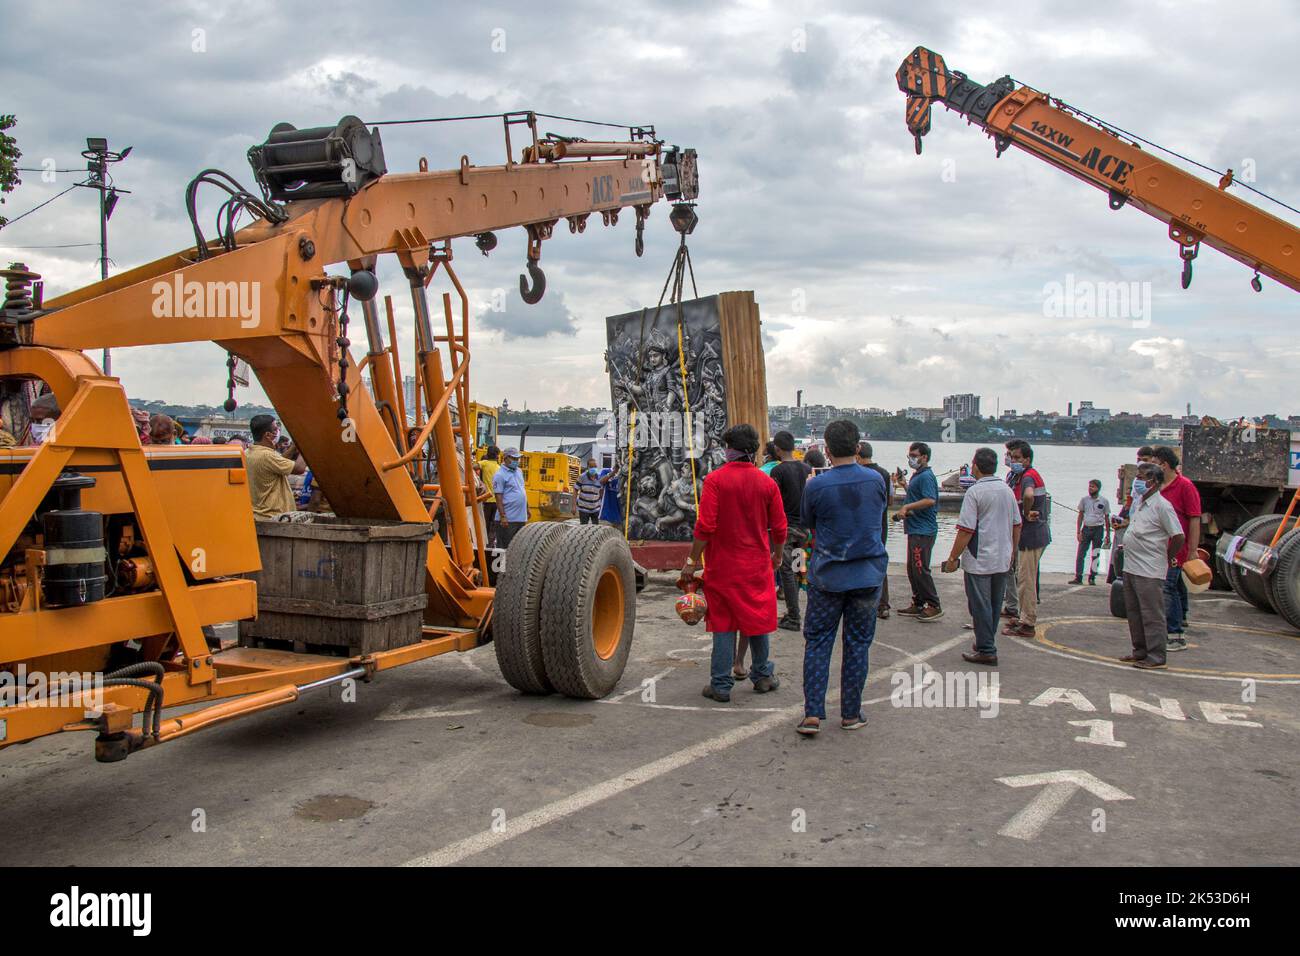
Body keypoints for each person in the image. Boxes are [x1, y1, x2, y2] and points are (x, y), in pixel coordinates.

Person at [679, 424, 786, 704]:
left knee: (723, 624)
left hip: (723, 567)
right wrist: (777, 555)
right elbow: (779, 526)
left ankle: (721, 684)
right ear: (753, 452)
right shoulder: (767, 483)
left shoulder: (715, 480)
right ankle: (762, 676)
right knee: (757, 620)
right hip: (757, 566)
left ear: (729, 450)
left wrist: (691, 561)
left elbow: (705, 526)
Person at [796, 420, 888, 735]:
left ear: (828, 450)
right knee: (858, 644)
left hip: (829, 574)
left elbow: (809, 523)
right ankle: (850, 713)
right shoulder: (876, 480)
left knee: (819, 642)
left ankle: (812, 714)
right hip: (867, 573)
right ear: (858, 446)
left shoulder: (816, 485)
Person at [940, 447, 1021, 665]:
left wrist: (952, 558)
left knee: (979, 605)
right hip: (1002, 557)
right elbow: (1017, 524)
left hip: (980, 558)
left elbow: (966, 530)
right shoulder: (1006, 490)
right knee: (994, 604)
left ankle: (986, 648)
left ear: (975, 465)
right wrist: (1012, 549)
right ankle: (986, 641)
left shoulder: (975, 492)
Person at [1116, 462, 1185, 670]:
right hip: (1132, 566)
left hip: (1150, 568)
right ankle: (1140, 650)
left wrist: (1168, 556)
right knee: (1135, 611)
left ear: (1153, 482)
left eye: (1142, 477)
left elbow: (1178, 535)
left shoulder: (1162, 505)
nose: (1137, 481)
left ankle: (1156, 655)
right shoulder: (1140, 502)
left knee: (1151, 613)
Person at [1152, 445, 1200, 651]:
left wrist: (1192, 550)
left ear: (1164, 465)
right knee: (1173, 588)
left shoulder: (1185, 486)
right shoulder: (1158, 487)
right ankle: (1172, 628)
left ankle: (1176, 634)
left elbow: (1195, 518)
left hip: (1176, 548)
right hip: (1157, 549)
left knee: (1168, 588)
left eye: (1154, 464)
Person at [1004, 441, 1050, 639]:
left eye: (1017, 458)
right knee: (1023, 578)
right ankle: (1023, 615)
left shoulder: (1028, 476)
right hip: (1028, 535)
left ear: (1027, 459)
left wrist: (1024, 511)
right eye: (1011, 457)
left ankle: (1027, 622)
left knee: (1026, 580)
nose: (1013, 461)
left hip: (1032, 535)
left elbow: (1029, 494)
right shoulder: (1019, 476)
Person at [893, 441, 942, 621]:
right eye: (910, 456)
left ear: (924, 457)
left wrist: (907, 508)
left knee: (920, 568)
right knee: (912, 568)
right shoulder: (918, 475)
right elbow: (916, 496)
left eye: (914, 456)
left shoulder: (926, 476)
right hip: (914, 527)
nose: (911, 459)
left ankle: (933, 604)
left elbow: (929, 500)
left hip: (923, 529)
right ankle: (918, 601)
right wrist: (905, 485)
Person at [769, 430, 812, 631]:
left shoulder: (778, 471)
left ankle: (794, 616)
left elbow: (774, 501)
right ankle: (796, 611)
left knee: (786, 570)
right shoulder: (806, 468)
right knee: (797, 569)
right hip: (803, 528)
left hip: (786, 528)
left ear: (777, 449)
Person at [856, 441, 894, 619]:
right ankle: (883, 604)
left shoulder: (859, 475)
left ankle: (862, 602)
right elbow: (891, 499)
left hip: (862, 525)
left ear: (858, 454)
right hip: (881, 524)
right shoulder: (884, 474)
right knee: (879, 562)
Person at [246, 414, 306, 519]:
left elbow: (279, 461)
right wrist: (305, 444)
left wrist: (293, 448)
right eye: (275, 429)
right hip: (273, 517)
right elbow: (299, 468)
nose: (278, 431)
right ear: (268, 435)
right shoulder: (267, 456)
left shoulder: (249, 452)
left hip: (259, 515)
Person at [1072, 479, 1112, 585]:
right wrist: (1078, 531)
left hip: (1098, 529)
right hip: (1086, 528)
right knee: (1080, 553)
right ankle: (1078, 576)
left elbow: (1107, 518)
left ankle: (1092, 576)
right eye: (1089, 486)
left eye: (1093, 487)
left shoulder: (1104, 501)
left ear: (1098, 488)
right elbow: (1080, 515)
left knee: (1095, 554)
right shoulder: (1084, 500)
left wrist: (1108, 534)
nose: (1090, 488)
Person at [492, 447, 529, 547]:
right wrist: (503, 516)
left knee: (517, 548)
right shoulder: (500, 475)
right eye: (514, 459)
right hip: (508, 520)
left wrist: (527, 508)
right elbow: (498, 497)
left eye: (518, 459)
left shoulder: (519, 472)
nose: (516, 461)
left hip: (520, 518)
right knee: (505, 548)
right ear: (506, 458)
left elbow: (522, 491)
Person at [478, 446, 501, 547]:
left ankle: (485, 542)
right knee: (494, 523)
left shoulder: (484, 463)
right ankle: (491, 543)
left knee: (485, 523)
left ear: (487, 454)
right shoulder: (499, 468)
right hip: (497, 500)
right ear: (497, 456)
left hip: (486, 499)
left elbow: (471, 466)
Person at [576, 458, 607, 525]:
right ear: (588, 467)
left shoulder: (599, 478)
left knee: (595, 528)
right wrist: (573, 506)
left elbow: (601, 491)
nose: (594, 468)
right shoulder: (582, 477)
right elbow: (575, 490)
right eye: (591, 466)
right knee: (583, 528)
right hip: (583, 508)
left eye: (595, 466)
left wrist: (600, 504)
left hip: (595, 508)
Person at [599, 464, 623, 528]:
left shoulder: (622, 475)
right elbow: (601, 481)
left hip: (617, 513)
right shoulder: (606, 471)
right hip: (605, 510)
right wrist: (612, 473)